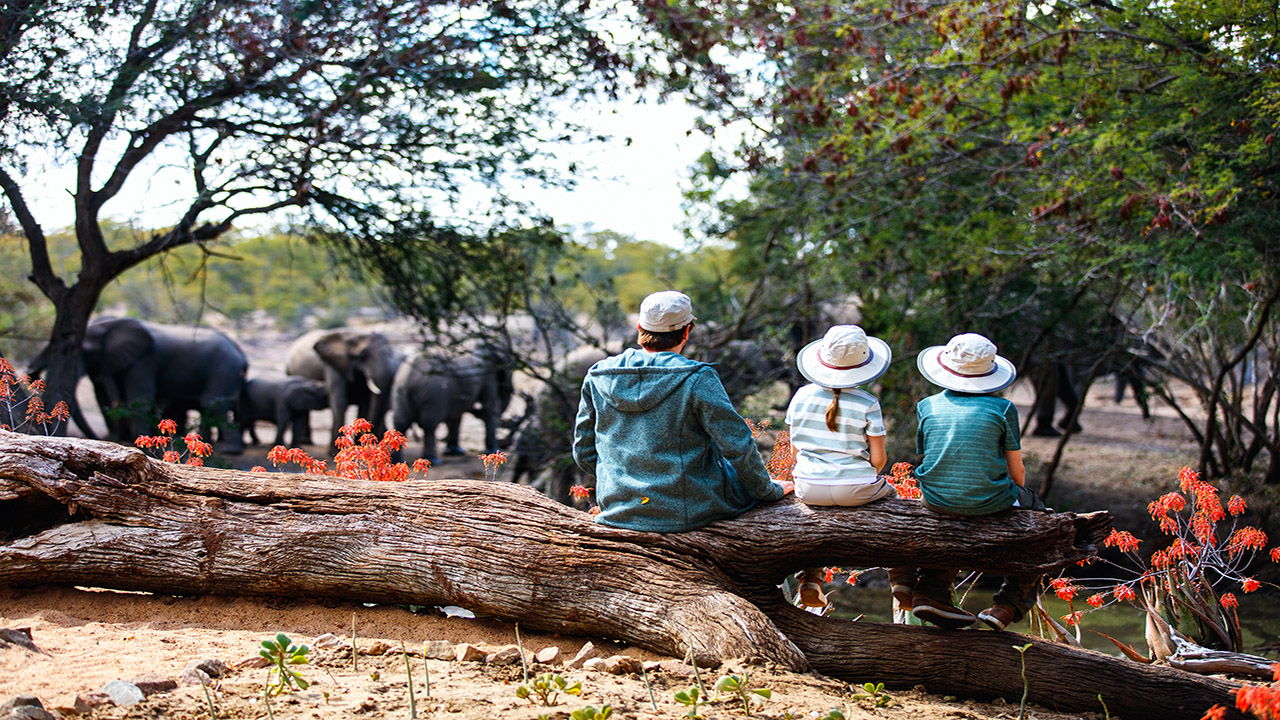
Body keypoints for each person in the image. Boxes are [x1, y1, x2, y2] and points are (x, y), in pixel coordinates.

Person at [572, 290, 793, 532]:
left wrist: (622, 482)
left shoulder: (598, 375)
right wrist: (767, 490)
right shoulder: (697, 378)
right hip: (690, 511)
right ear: (687, 331)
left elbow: (583, 451)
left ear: (639, 328)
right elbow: (737, 445)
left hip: (619, 507)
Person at [891, 333, 1048, 631]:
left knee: (952, 521)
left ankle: (931, 591)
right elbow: (1017, 473)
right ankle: (1008, 605)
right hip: (990, 499)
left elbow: (932, 455)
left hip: (935, 498)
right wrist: (1014, 495)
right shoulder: (1002, 409)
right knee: (1042, 528)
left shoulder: (927, 406)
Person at [785, 325, 895, 608]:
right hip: (856, 487)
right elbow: (879, 461)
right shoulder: (868, 402)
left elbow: (795, 451)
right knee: (894, 499)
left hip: (808, 487)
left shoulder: (800, 396)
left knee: (814, 520)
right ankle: (902, 579)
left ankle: (810, 576)